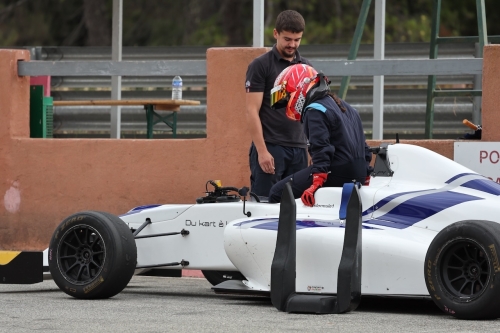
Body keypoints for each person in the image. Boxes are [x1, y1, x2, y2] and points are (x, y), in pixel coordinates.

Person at [267, 64, 373, 206]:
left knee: (277, 193)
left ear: (300, 86)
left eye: (287, 97)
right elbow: (364, 148)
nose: (287, 103)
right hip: (357, 173)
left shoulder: (314, 109)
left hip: (336, 171)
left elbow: (321, 147)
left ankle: (294, 227)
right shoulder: (347, 108)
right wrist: (365, 175)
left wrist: (318, 179)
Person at [245, 10, 312, 199]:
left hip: (299, 149)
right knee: (264, 206)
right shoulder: (261, 65)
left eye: (297, 40)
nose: (292, 45)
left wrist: (310, 149)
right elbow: (251, 111)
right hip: (271, 147)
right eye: (287, 39)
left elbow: (310, 112)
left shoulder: (306, 68)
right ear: (276, 34)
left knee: (297, 209)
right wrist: (262, 151)